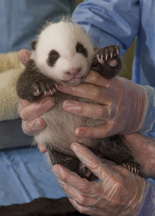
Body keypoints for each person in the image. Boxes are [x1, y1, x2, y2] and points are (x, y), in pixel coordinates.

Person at [17, 0, 155, 215]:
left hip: (108, 134)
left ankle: (127, 162)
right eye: (54, 56)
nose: (72, 68)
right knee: (68, 170)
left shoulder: (87, 58)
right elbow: (105, 11)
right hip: (62, 146)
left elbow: (102, 68)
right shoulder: (37, 69)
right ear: (37, 53)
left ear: (88, 46)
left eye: (81, 49)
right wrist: (31, 90)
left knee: (116, 145)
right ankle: (85, 173)